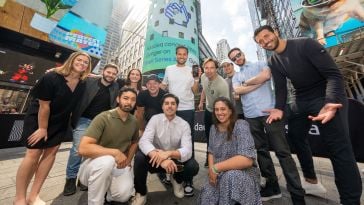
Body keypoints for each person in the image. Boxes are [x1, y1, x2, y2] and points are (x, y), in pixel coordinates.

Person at [253, 25, 362, 204]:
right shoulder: (273, 61)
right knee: (295, 135)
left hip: (327, 95)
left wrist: (329, 103)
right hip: (302, 99)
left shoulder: (306, 44)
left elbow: (334, 75)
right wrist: (279, 107)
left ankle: (350, 200)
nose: (265, 41)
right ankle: (311, 180)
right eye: (260, 41)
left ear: (276, 33)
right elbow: (281, 88)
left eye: (266, 36)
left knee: (339, 149)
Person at [229, 48, 306, 204]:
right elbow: (238, 90)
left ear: (243, 53)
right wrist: (257, 82)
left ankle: (297, 194)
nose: (237, 58)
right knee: (261, 152)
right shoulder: (236, 76)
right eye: (233, 58)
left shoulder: (260, 63)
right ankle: (273, 188)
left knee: (283, 152)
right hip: (251, 116)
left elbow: (266, 75)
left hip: (270, 112)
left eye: (238, 55)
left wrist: (248, 83)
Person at [14, 51, 91, 205]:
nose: (82, 64)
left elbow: (97, 76)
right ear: (71, 60)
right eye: (79, 60)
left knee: (50, 155)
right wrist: (43, 128)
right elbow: (44, 106)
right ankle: (19, 198)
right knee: (32, 155)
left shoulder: (82, 82)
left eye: (86, 62)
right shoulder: (51, 77)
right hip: (39, 119)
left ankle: (34, 196)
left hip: (60, 121)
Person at [131, 93, 199, 205]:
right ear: (162, 106)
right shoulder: (155, 119)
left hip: (175, 160)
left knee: (192, 166)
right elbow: (144, 141)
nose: (170, 106)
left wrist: (168, 154)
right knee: (139, 158)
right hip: (156, 160)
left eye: (173, 103)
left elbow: (187, 150)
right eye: (166, 103)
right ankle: (141, 192)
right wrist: (159, 157)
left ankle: (177, 180)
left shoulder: (184, 124)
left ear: (177, 107)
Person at [63, 63, 120, 196]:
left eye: (113, 74)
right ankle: (70, 179)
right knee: (77, 150)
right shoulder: (90, 81)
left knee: (91, 152)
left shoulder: (116, 86)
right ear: (103, 72)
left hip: (101, 124)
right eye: (108, 72)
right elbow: (74, 75)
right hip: (84, 120)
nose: (110, 75)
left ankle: (83, 178)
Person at [77, 87, 140, 204]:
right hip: (94, 165)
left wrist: (129, 161)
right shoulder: (103, 117)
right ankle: (95, 202)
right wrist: (115, 152)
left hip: (119, 165)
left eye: (133, 99)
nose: (129, 102)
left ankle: (107, 191)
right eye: (125, 98)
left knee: (123, 196)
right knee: (107, 160)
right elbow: (83, 148)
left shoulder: (134, 121)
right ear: (118, 99)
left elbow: (135, 141)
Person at [199, 97, 261, 205]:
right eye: (216, 110)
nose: (219, 112)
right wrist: (211, 171)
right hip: (219, 172)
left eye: (223, 109)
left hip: (242, 172)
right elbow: (211, 152)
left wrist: (215, 168)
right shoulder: (213, 128)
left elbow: (247, 160)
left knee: (231, 177)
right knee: (207, 193)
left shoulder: (241, 125)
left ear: (230, 111)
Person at [161, 45, 200, 195]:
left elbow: (195, 91)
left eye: (184, 54)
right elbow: (164, 86)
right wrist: (152, 88)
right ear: (176, 55)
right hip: (171, 110)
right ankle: (171, 172)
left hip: (187, 109)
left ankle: (188, 179)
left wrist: (196, 79)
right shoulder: (169, 69)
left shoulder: (191, 70)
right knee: (171, 142)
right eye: (179, 54)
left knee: (187, 143)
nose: (182, 56)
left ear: (187, 56)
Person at [197, 58, 230, 167]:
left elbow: (225, 106)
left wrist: (222, 118)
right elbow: (204, 90)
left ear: (216, 69)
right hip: (208, 110)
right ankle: (209, 157)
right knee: (209, 135)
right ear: (203, 69)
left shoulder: (222, 84)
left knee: (220, 137)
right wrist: (201, 102)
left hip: (219, 112)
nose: (209, 70)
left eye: (212, 68)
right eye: (206, 68)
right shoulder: (203, 77)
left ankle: (222, 160)